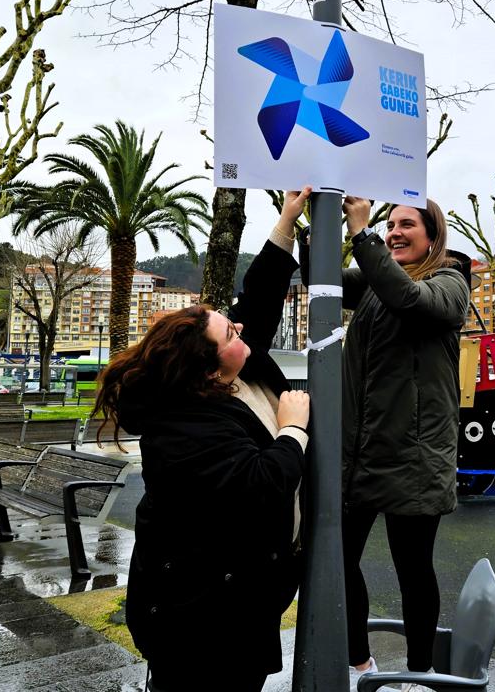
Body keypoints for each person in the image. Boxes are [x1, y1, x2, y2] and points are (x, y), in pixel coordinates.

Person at [95, 189, 312, 692]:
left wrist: (287, 220)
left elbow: (256, 300)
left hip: (240, 598)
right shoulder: (183, 424)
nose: (240, 328)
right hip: (201, 614)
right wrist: (293, 429)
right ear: (208, 369)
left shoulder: (235, 366)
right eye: (230, 333)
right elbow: (260, 483)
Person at [307, 196, 470, 688]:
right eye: (390, 224)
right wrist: (308, 217)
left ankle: (422, 671)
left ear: (432, 233)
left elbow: (409, 299)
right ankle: (361, 662)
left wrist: (364, 235)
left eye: (407, 225)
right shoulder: (377, 284)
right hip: (362, 452)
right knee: (341, 559)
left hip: (415, 457)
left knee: (413, 569)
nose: (395, 232)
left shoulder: (450, 282)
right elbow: (316, 275)